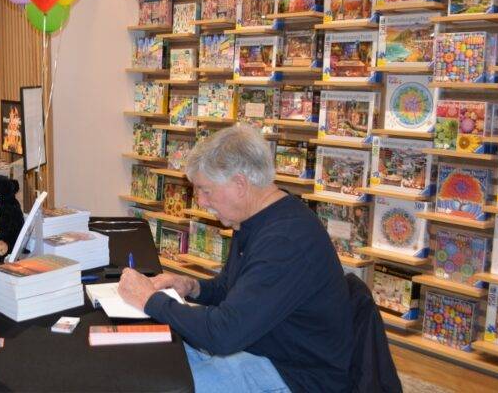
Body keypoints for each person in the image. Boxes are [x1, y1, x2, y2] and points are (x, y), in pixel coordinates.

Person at [118, 124, 354, 393]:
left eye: (206, 191)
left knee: (157, 383)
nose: (201, 201)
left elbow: (223, 335)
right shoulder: (256, 219)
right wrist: (192, 286)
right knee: (151, 360)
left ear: (240, 184)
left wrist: (149, 300)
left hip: (294, 376)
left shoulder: (285, 241)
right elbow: (233, 290)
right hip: (259, 350)